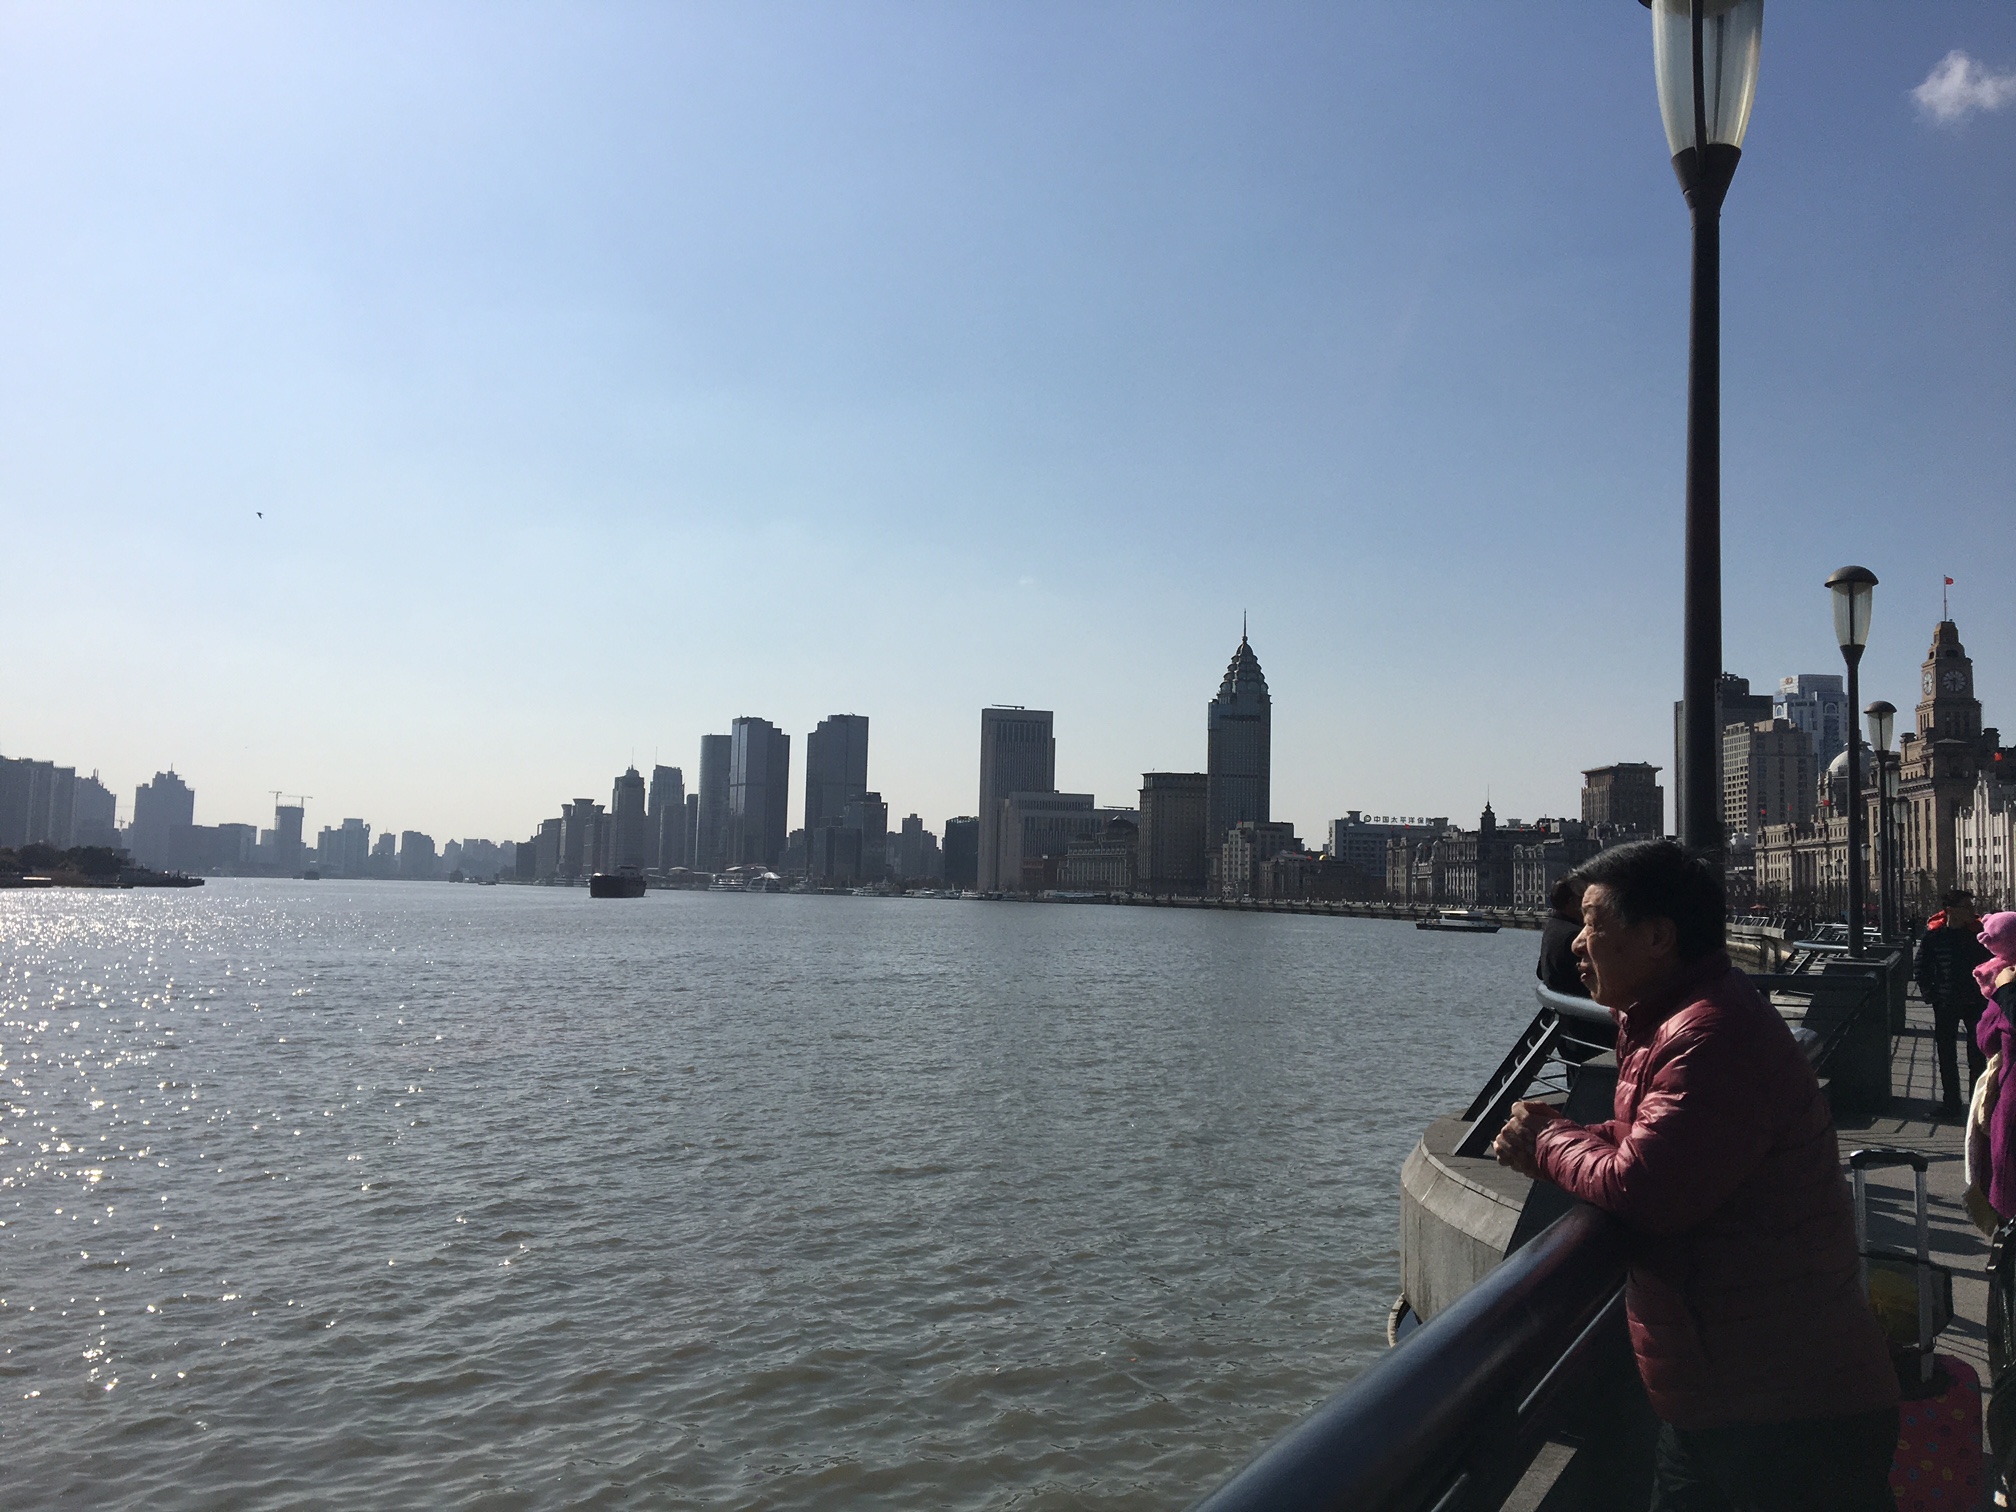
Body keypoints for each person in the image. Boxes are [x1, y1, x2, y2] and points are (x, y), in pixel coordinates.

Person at [1493, 839, 1899, 1511]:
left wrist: (1545, 1141)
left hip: (1787, 1419)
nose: (1577, 945)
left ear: (1658, 937)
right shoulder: (1675, 1022)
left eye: (1593, 923)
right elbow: (1662, 1146)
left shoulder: (1708, 1036)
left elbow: (1646, 1186)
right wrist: (1580, 1136)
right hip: (1733, 1398)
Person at [1917, 889, 1992, 1115]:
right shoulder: (1935, 935)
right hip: (1945, 1001)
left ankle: (1976, 1107)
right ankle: (1951, 1104)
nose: (1972, 911)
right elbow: (1921, 966)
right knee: (1946, 1054)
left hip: (1975, 1002)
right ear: (1951, 910)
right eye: (1966, 906)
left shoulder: (1978, 935)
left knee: (1977, 1056)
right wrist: (1930, 994)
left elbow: (1991, 964)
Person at [1536, 875, 1590, 998]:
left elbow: (1540, 972)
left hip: (1559, 1000)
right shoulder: (1575, 936)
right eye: (1583, 897)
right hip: (1577, 1004)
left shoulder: (1552, 927)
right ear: (1572, 902)